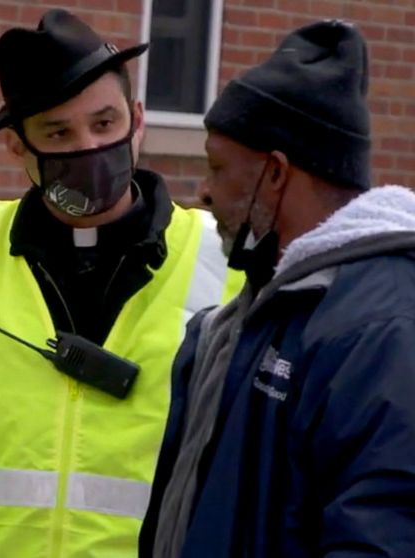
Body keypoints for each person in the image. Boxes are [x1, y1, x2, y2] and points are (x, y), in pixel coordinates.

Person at [0, 9, 242, 557]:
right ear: (18, 148)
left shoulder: (223, 262)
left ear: (138, 119)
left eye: (104, 124)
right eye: (59, 132)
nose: (87, 147)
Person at [140, 20, 415, 558]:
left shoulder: (377, 329)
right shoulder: (269, 310)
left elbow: (382, 532)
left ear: (275, 174)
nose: (204, 192)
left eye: (218, 169)